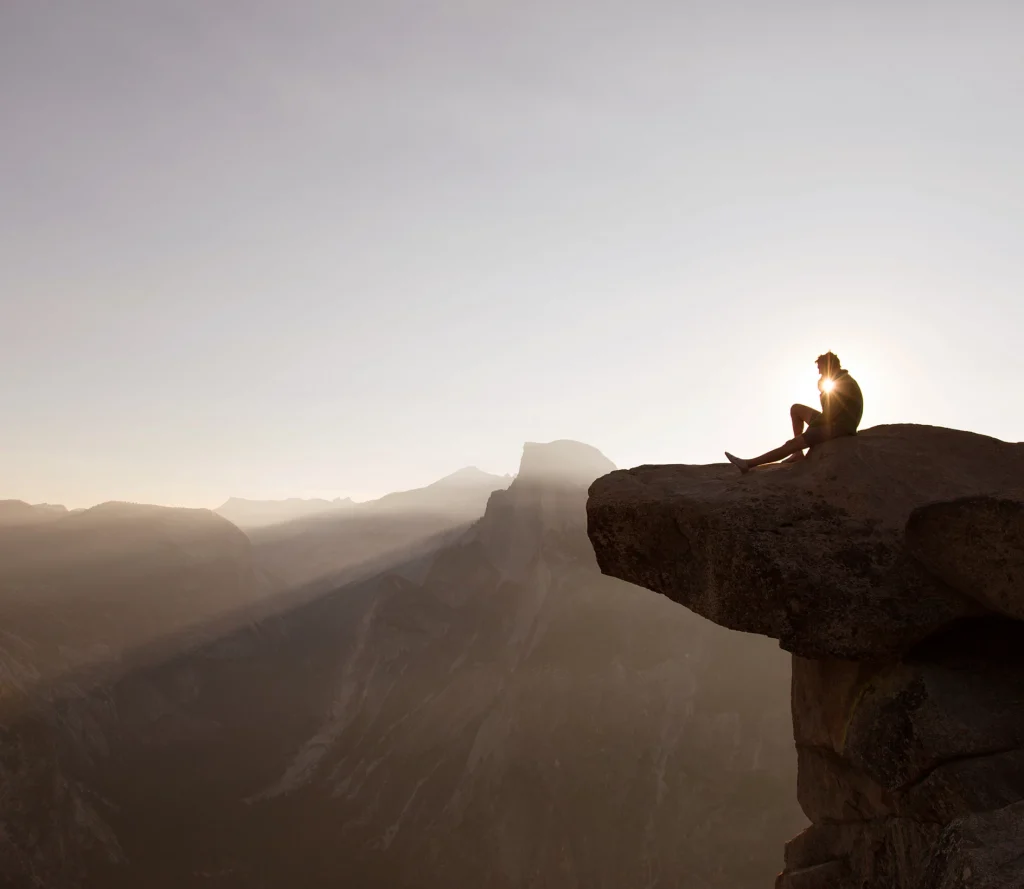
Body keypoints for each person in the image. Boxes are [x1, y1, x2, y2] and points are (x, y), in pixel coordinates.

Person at [724, 352, 863, 473]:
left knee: (792, 443)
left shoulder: (844, 383)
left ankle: (748, 464)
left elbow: (829, 414)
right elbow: (829, 411)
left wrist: (810, 430)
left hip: (839, 426)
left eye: (821, 369)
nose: (820, 373)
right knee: (796, 409)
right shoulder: (840, 380)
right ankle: (798, 454)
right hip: (833, 420)